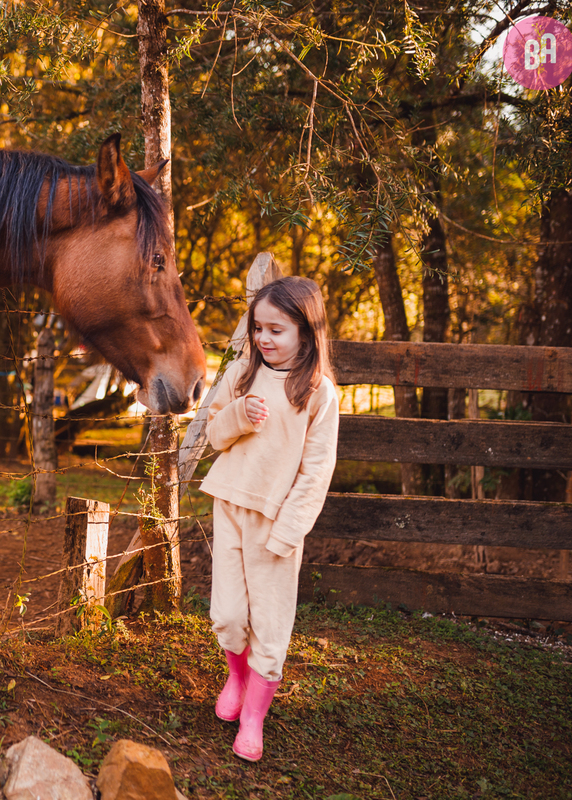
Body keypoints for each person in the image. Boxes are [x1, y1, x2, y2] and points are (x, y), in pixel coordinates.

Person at [199, 275, 340, 762]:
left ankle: (254, 716)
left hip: (277, 522)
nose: (263, 339)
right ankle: (235, 678)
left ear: (306, 330)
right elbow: (215, 436)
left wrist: (290, 530)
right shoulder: (242, 373)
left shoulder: (319, 393)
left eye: (276, 330)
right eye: (258, 328)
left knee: (271, 626)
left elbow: (317, 470)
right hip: (230, 504)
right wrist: (237, 414)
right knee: (228, 614)